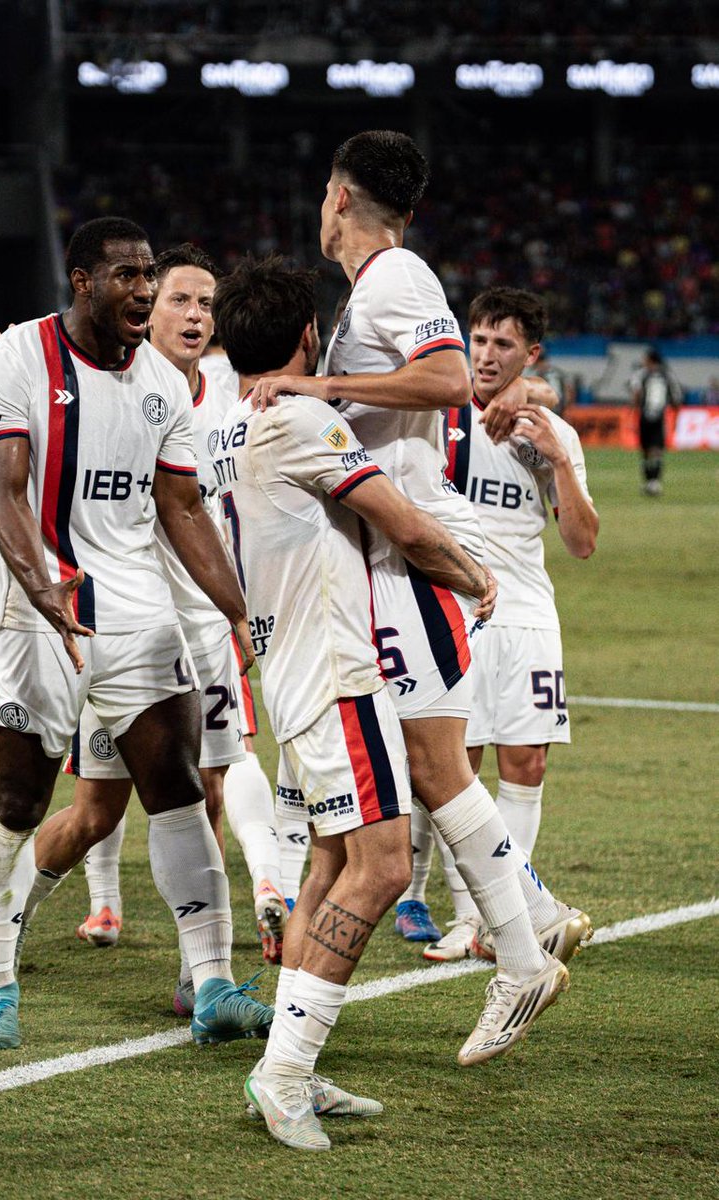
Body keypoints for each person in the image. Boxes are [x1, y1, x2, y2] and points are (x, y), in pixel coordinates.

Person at [250, 130, 578, 1063]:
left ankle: (522, 956)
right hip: (382, 567)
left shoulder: (395, 278)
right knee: (413, 785)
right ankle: (531, 936)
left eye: (323, 191)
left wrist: (320, 380)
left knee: (436, 772)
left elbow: (444, 380)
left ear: (341, 198)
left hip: (412, 558)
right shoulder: (371, 295)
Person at [0, 216, 273, 1050]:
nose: (143, 290)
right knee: (21, 799)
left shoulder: (163, 385)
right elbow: (4, 494)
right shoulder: (15, 360)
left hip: (135, 609)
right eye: (128, 276)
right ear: (82, 280)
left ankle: (211, 984)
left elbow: (181, 507)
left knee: (176, 783)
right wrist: (47, 593)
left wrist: (237, 607)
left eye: (149, 274)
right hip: (34, 613)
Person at [210, 256, 496, 1150]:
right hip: (336, 674)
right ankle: (286, 1072)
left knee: (333, 866)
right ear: (305, 340)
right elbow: (400, 523)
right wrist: (475, 576)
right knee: (382, 868)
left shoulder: (230, 420)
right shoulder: (295, 417)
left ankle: (291, 1063)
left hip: (291, 671)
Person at [427, 286, 597, 962]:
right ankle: (474, 917)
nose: (487, 355)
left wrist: (557, 457)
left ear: (530, 354)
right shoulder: (434, 415)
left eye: (503, 344)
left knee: (525, 763)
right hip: (453, 606)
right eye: (479, 340)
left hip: (525, 613)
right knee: (454, 765)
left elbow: (582, 542)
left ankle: (509, 924)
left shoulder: (551, 436)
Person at [630, 348, 681, 496]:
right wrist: (676, 414)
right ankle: (655, 483)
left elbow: (636, 393)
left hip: (645, 416)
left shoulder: (641, 374)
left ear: (650, 359)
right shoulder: (667, 375)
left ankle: (649, 482)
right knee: (657, 450)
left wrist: (633, 411)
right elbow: (676, 397)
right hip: (660, 416)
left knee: (646, 450)